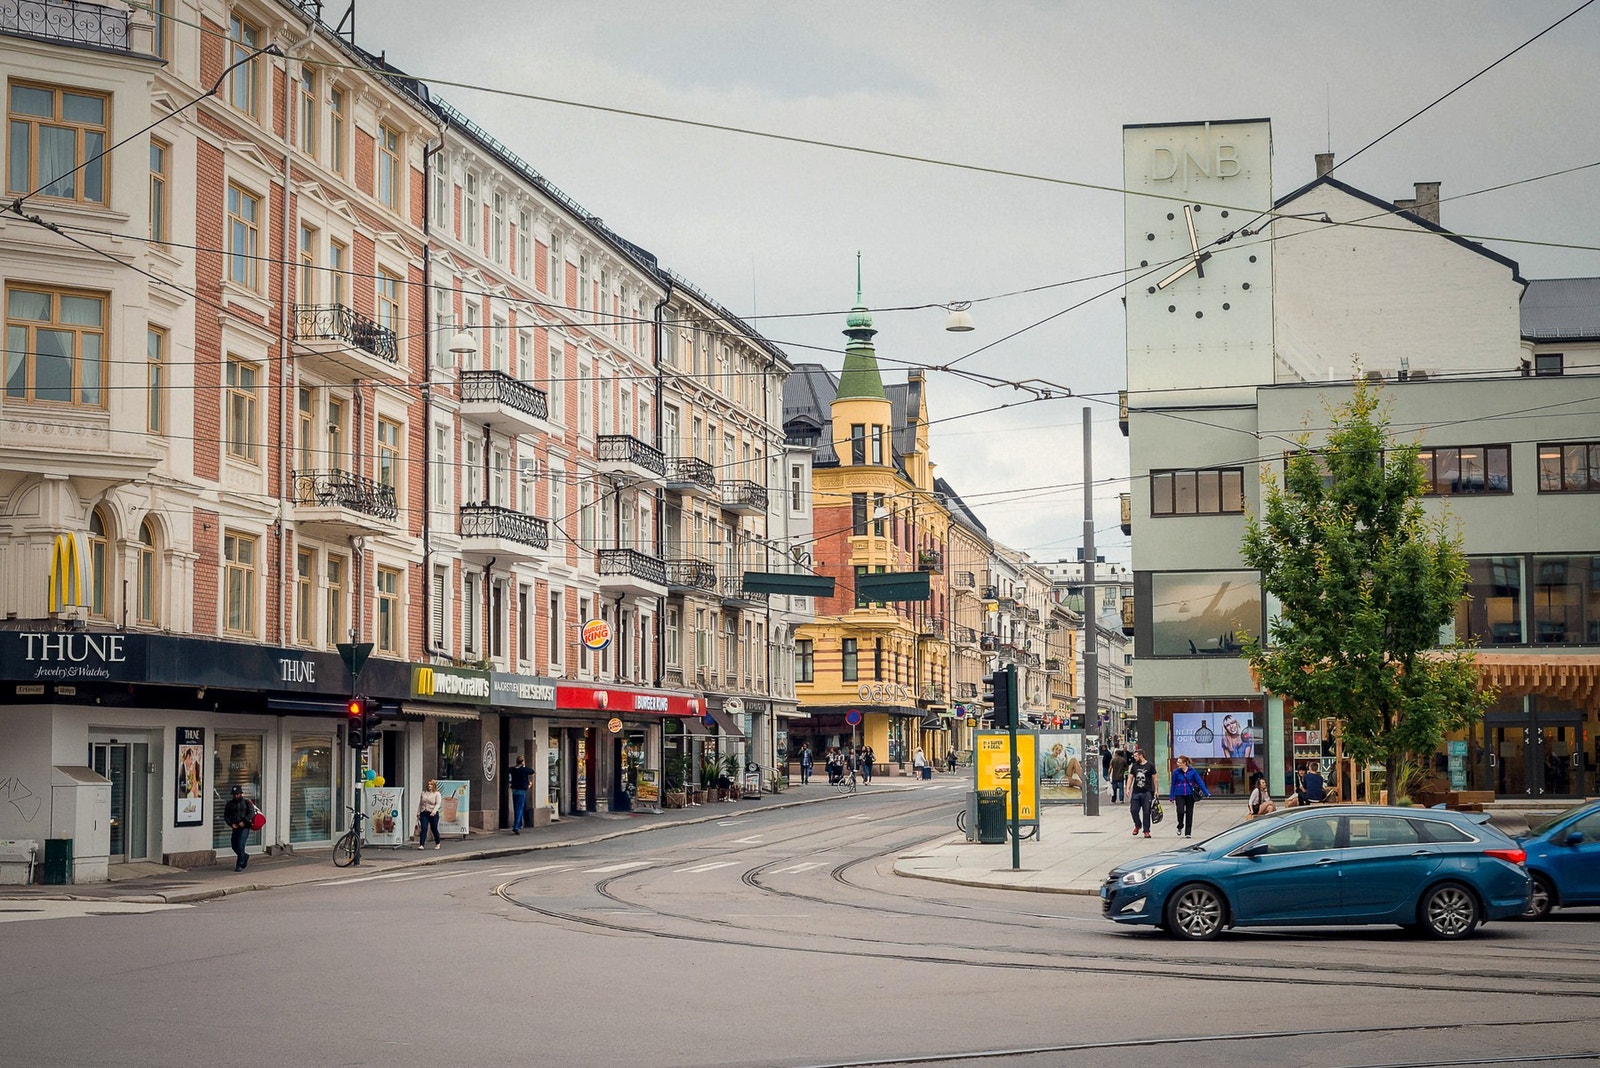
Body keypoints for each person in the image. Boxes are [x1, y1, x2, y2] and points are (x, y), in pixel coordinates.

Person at [1169, 754, 1210, 838]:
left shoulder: (1192, 771)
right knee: (1180, 811)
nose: (1177, 764)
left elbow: (1199, 782)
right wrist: (1171, 796)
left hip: (1190, 794)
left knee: (1189, 813)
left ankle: (1188, 832)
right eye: (1177, 762)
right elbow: (1173, 784)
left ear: (1184, 763)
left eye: (1179, 762)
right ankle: (1180, 825)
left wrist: (1206, 792)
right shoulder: (1176, 772)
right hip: (1179, 794)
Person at [1127, 749, 1158, 838]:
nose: (1134, 758)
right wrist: (1127, 789)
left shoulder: (1150, 765)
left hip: (1147, 792)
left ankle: (1146, 830)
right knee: (1133, 810)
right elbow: (1130, 777)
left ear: (1141, 755)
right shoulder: (1134, 766)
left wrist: (1156, 790)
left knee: (1146, 812)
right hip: (1136, 792)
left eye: (1136, 756)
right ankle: (1138, 824)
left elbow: (1155, 778)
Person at [224, 786, 253, 871]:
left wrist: (244, 821)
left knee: (240, 844)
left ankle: (239, 865)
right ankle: (244, 856)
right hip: (235, 827)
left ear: (241, 794)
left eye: (237, 794)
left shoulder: (246, 802)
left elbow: (251, 813)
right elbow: (226, 816)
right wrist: (231, 824)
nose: (236, 796)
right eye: (234, 794)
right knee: (234, 845)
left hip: (245, 827)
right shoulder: (230, 804)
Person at [507, 756, 533, 834]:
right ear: (522, 762)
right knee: (520, 809)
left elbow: (509, 771)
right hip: (521, 791)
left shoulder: (512, 769)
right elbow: (532, 771)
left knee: (516, 808)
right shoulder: (524, 770)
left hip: (514, 791)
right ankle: (516, 826)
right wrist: (524, 766)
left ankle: (519, 824)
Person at [417, 779, 443, 849]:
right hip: (424, 812)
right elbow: (420, 803)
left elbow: (438, 804)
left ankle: (437, 843)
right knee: (424, 828)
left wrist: (434, 811)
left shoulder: (437, 794)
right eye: (428, 784)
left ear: (434, 785)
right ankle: (421, 844)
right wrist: (418, 812)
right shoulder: (423, 793)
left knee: (434, 828)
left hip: (433, 813)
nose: (429, 786)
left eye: (431, 784)